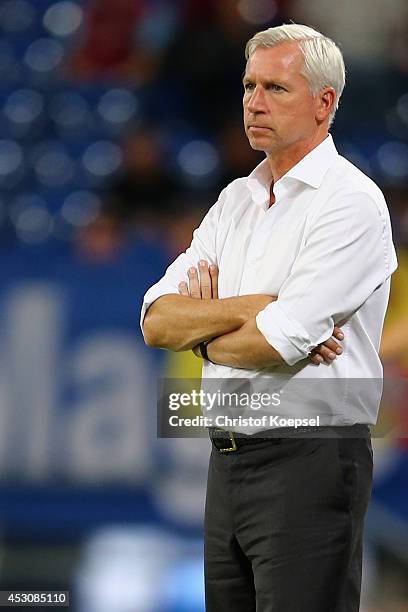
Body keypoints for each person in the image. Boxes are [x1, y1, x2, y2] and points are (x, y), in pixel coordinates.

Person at [140, 23, 398, 612]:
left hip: (310, 459)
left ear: (324, 102)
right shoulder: (236, 200)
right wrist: (251, 310)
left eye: (276, 89)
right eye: (249, 86)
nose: (254, 103)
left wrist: (204, 328)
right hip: (227, 460)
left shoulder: (350, 201)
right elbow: (155, 320)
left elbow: (275, 343)